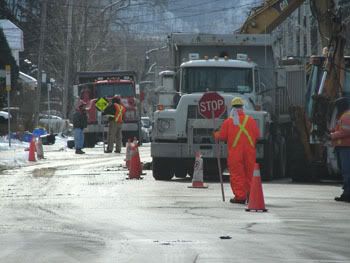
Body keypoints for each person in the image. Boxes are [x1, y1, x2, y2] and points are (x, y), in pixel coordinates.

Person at [214, 97, 260, 204]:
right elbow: (257, 135)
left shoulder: (229, 122)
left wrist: (215, 133)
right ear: (242, 107)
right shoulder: (251, 120)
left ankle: (240, 196)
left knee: (237, 174)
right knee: (250, 174)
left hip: (235, 152)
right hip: (249, 152)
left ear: (232, 108)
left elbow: (222, 136)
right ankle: (250, 195)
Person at [331, 107, 350, 203]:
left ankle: (347, 194)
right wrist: (332, 131)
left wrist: (332, 135)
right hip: (343, 146)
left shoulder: (347, 115)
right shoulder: (344, 115)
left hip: (346, 147)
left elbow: (346, 131)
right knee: (345, 171)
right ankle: (346, 193)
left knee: (347, 171)